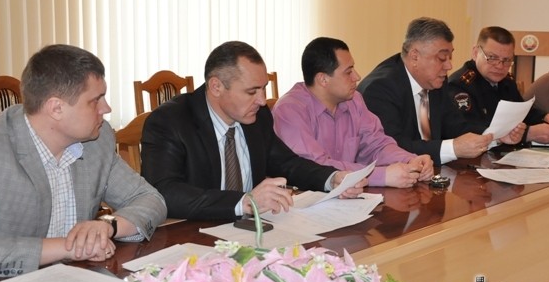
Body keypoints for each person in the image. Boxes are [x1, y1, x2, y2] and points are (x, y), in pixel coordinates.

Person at [140, 41, 365, 221]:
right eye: (251, 92)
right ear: (216, 87)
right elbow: (164, 191)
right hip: (194, 235)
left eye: (264, 88)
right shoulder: (170, 121)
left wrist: (331, 178)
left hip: (254, 231)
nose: (262, 100)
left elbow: (286, 163)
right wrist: (243, 202)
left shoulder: (257, 116)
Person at [0, 44, 167, 277]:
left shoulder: (97, 140)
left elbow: (150, 199)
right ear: (56, 108)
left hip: (78, 280)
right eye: (96, 100)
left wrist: (107, 226)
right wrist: (71, 247)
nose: (106, 108)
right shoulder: (1, 150)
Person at [357, 17, 526, 165]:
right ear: (415, 56)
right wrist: (453, 148)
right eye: (442, 58)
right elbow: (391, 147)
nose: (449, 66)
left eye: (450, 57)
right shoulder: (380, 89)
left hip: (429, 174)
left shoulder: (435, 80)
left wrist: (495, 136)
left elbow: (454, 124)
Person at [272, 37, 434, 188]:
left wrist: (411, 160)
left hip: (349, 196)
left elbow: (376, 145)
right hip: (305, 198)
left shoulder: (354, 100)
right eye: (348, 72)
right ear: (323, 79)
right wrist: (380, 176)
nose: (357, 76)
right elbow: (315, 166)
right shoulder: (290, 110)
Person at [447, 26, 549, 144]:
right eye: (492, 57)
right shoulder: (460, 85)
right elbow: (471, 129)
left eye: (507, 60)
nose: (500, 66)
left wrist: (544, 117)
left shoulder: (506, 81)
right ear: (475, 53)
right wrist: (528, 134)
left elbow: (520, 111)